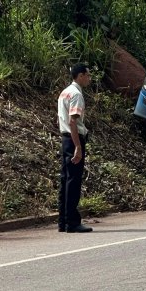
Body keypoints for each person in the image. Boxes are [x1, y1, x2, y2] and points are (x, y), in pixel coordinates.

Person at [58, 62, 93, 233]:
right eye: (88, 75)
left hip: (66, 138)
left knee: (66, 179)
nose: (89, 78)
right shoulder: (76, 94)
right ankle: (72, 222)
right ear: (80, 76)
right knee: (73, 181)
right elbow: (73, 121)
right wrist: (78, 146)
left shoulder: (65, 92)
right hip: (74, 139)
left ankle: (63, 221)